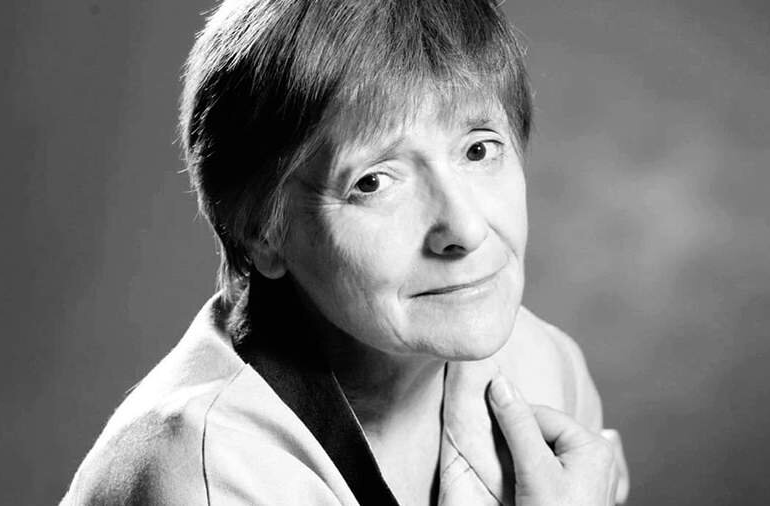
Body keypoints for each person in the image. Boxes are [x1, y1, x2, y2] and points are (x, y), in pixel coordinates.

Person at [61, 0, 628, 504]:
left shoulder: (545, 365)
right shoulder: (207, 474)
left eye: (479, 150)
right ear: (264, 234)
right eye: (373, 182)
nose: (465, 228)